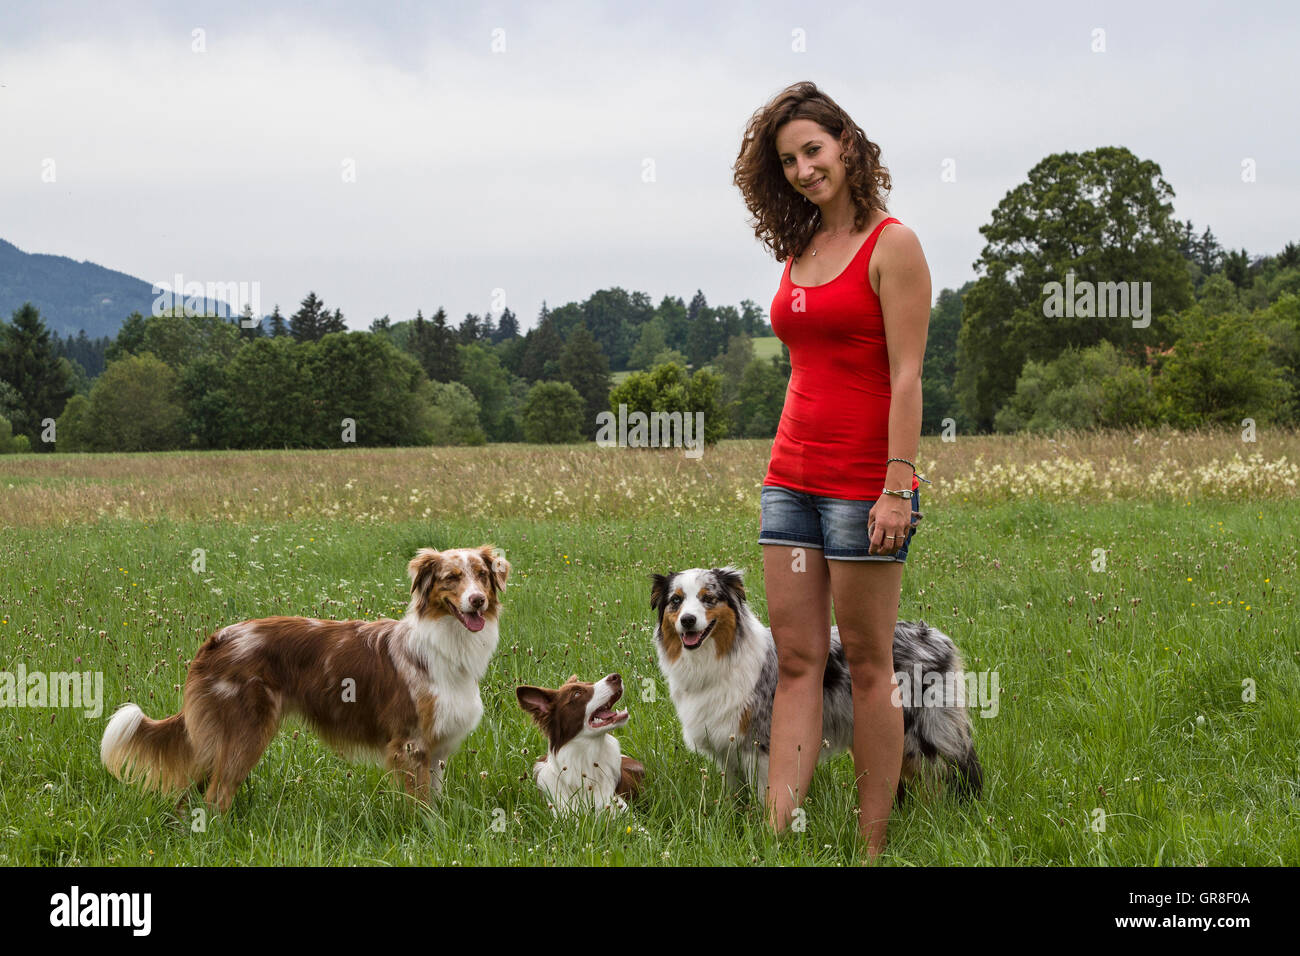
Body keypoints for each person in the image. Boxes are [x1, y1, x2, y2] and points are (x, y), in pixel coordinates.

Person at [732, 81, 932, 858]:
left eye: (813, 150)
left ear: (847, 144)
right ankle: (776, 838)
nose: (804, 168)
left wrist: (896, 485)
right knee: (798, 664)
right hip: (789, 481)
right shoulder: (799, 248)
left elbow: (908, 377)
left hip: (863, 487)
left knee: (873, 667)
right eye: (787, 160)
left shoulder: (894, 244)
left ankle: (872, 845)